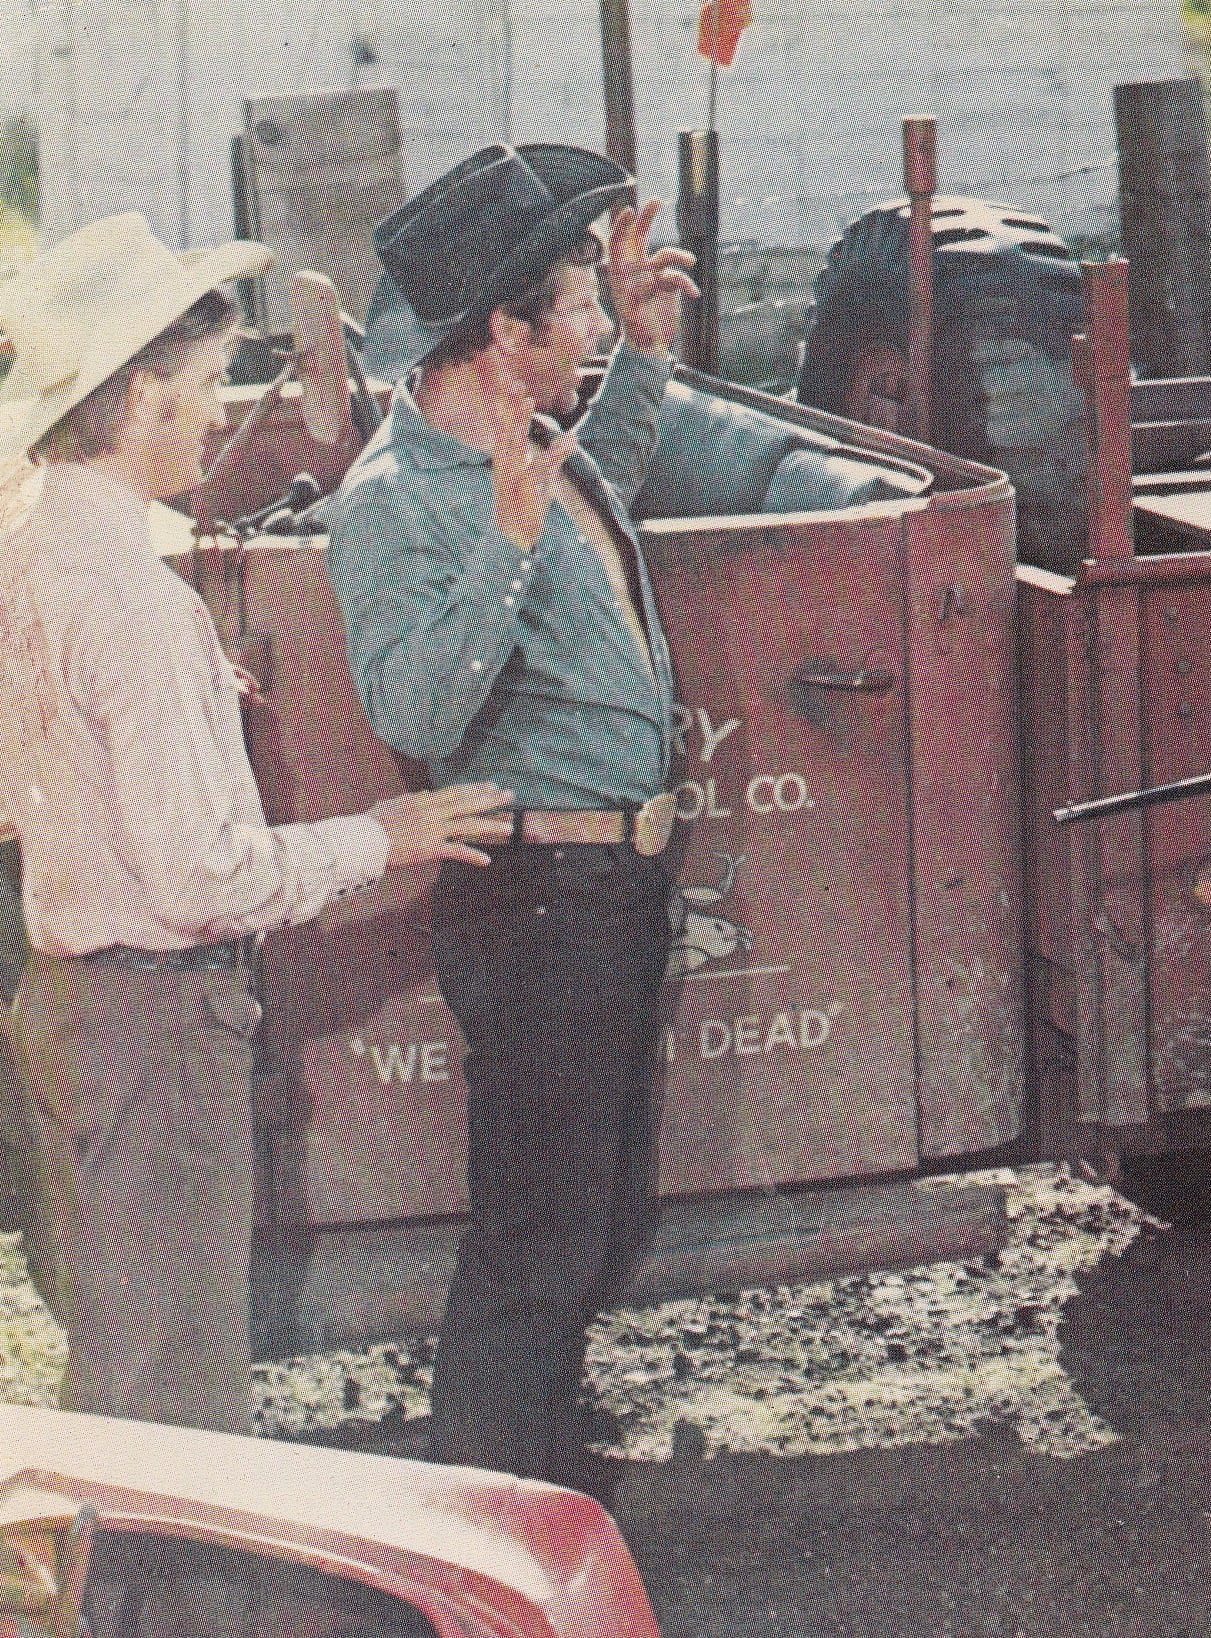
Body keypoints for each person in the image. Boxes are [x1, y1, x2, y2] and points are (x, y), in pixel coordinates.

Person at [0, 213, 509, 1433]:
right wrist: (383, 835)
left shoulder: (30, 548)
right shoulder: (135, 605)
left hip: (70, 1008)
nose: (221, 411)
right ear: (132, 403)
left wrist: (171, 720)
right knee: (179, 1412)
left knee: (120, 1386)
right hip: (160, 1022)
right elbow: (201, 880)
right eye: (203, 385)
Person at [324, 143, 698, 1485]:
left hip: (609, 891)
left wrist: (644, 357)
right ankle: (486, 1518)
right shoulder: (393, 507)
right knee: (539, 1236)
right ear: (502, 328)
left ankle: (537, 1469)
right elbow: (416, 716)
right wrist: (506, 544)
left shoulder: (529, 447)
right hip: (538, 904)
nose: (597, 328)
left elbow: (602, 493)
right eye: (584, 308)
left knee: (595, 1221)